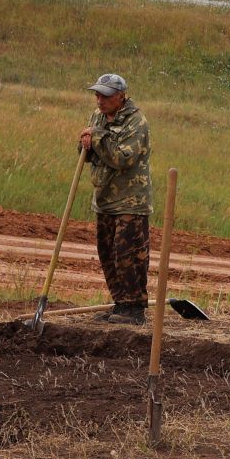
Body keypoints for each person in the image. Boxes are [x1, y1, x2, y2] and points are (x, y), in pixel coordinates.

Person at [80, 73, 151, 324]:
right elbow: (89, 152)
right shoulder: (97, 117)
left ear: (121, 97)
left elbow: (123, 158)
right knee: (107, 252)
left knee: (128, 253)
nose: (99, 100)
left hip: (130, 200)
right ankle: (120, 304)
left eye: (105, 95)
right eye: (97, 94)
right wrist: (84, 144)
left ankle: (135, 308)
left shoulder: (136, 121)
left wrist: (97, 138)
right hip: (104, 198)